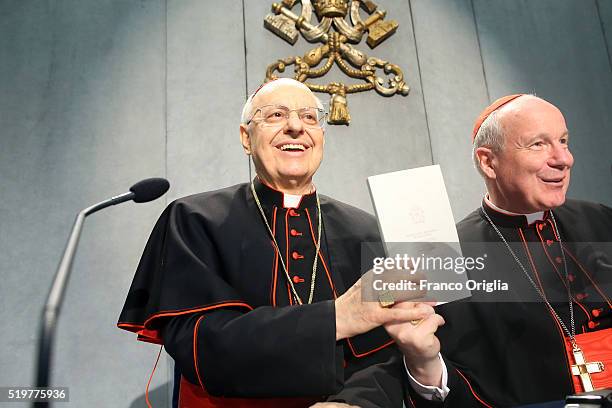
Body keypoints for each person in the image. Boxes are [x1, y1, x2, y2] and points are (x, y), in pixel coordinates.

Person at [117, 78, 431, 408]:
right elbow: (202, 346)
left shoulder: (365, 230)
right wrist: (335, 318)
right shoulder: (194, 219)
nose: (296, 126)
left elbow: (387, 351)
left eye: (310, 117)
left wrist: (353, 402)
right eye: (277, 115)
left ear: (321, 137)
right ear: (246, 138)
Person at [386, 94, 612, 406]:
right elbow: (445, 375)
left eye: (563, 141)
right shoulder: (445, 257)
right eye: (538, 144)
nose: (564, 158)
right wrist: (423, 361)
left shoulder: (602, 220)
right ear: (488, 161)